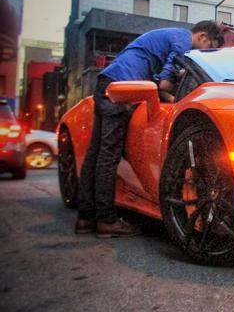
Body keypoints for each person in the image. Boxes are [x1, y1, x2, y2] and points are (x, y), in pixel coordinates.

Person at [75, 21, 225, 237]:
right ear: (202, 36)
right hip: (123, 87)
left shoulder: (173, 35)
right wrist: (181, 99)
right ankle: (106, 220)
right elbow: (164, 84)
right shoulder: (183, 40)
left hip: (109, 81)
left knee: (96, 154)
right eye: (207, 46)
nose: (201, 52)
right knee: (108, 155)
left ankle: (86, 218)